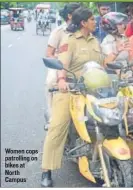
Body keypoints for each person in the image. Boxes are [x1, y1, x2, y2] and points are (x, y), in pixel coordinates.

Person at [40, 7, 101, 187]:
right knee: (57, 127)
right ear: (83, 23)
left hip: (91, 90)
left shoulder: (95, 41)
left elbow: (102, 64)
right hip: (71, 90)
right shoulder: (70, 40)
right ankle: (46, 170)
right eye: (92, 19)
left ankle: (101, 163)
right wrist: (61, 80)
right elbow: (61, 65)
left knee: (104, 123)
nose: (95, 22)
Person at [43, 3, 81, 131]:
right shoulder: (59, 32)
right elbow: (49, 54)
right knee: (50, 82)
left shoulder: (84, 30)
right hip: (61, 66)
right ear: (70, 15)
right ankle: (51, 118)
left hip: (80, 65)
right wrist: (61, 63)